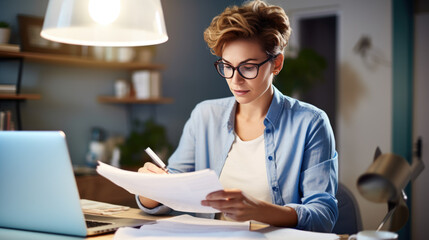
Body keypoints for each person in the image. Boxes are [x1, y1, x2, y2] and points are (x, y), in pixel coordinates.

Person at [136, 0, 338, 232]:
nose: (235, 80)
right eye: (227, 66)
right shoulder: (205, 115)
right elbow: (173, 189)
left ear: (277, 64)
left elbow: (324, 215)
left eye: (248, 67)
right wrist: (152, 191)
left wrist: (259, 210)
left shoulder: (310, 123)